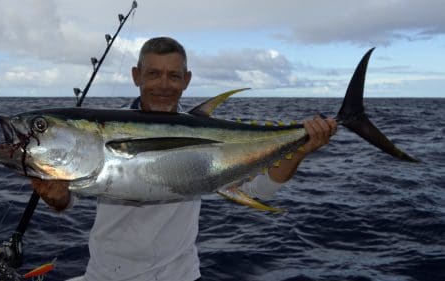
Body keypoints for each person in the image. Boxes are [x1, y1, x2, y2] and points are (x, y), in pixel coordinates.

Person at [32, 37, 337, 281]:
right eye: (153, 74)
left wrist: (302, 148)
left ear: (186, 80)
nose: (163, 85)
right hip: (107, 274)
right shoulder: (103, 128)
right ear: (136, 76)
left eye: (173, 76)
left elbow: (260, 191)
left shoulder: (205, 127)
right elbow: (71, 195)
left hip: (179, 274)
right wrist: (57, 198)